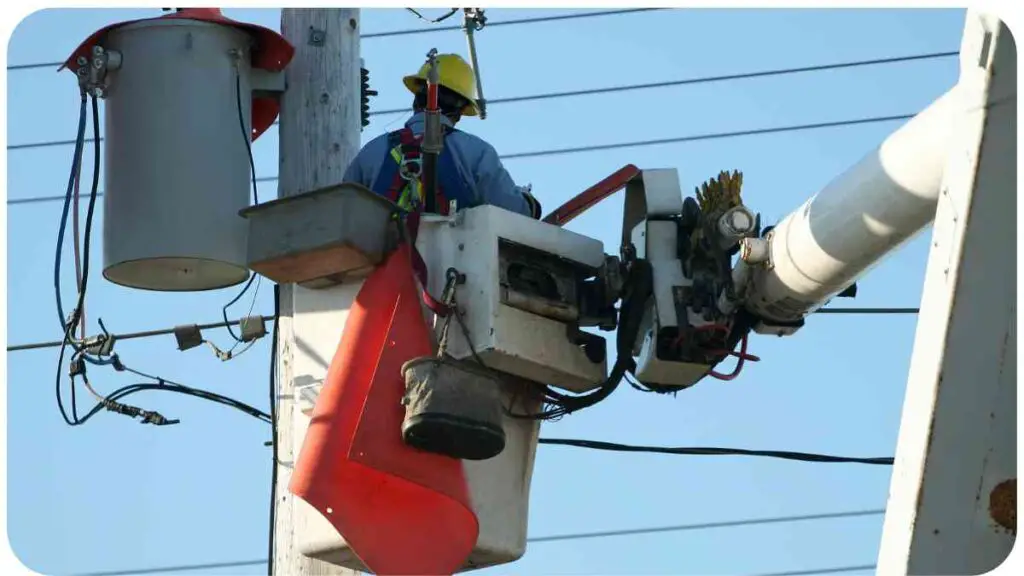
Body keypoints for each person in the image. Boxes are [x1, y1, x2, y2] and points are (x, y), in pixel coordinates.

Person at [343, 53, 541, 219]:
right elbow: (514, 213)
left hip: (385, 262)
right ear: (461, 109)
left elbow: (343, 219)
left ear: (416, 98)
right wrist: (528, 202)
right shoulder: (476, 153)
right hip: (454, 263)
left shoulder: (370, 154)